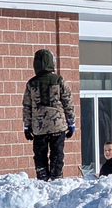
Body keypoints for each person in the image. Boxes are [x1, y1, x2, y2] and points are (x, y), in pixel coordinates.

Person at [22, 49, 75, 181]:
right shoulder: (59, 80)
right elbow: (67, 103)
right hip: (57, 125)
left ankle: (42, 175)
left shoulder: (31, 83)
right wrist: (71, 123)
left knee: (40, 154)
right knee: (57, 153)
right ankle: (56, 176)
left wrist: (27, 126)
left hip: (38, 127)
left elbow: (27, 106)